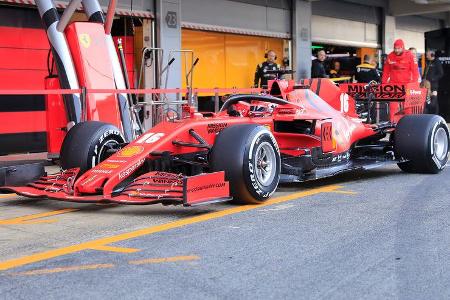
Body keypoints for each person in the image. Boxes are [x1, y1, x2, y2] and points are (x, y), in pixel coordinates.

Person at [382, 39, 419, 120]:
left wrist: (413, 84)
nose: (397, 50)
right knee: (392, 107)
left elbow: (415, 72)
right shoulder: (390, 56)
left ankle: (409, 123)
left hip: (406, 85)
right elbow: (386, 72)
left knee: (408, 107)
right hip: (394, 85)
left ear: (402, 47)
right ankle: (392, 125)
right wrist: (384, 84)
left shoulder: (410, 55)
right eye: (395, 48)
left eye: (398, 48)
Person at [423, 49, 444, 114]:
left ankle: (436, 115)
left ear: (432, 55)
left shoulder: (436, 62)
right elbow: (425, 72)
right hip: (426, 85)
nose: (426, 56)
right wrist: (423, 78)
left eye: (427, 55)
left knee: (434, 101)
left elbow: (441, 73)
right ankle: (428, 114)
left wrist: (432, 79)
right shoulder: (428, 62)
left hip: (433, 85)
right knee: (427, 100)